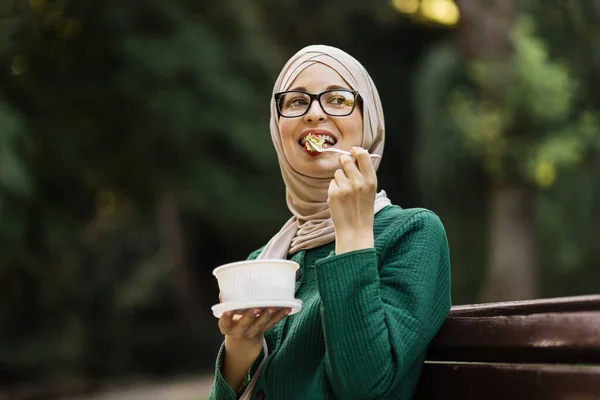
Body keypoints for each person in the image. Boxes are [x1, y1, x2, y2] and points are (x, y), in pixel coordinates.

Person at [208, 45, 452, 400]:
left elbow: (366, 390)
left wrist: (353, 232)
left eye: (337, 100)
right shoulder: (263, 261)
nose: (314, 114)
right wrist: (240, 346)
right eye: (295, 102)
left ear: (367, 121)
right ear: (278, 130)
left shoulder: (413, 234)